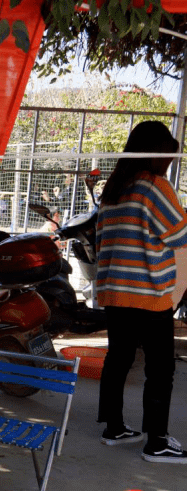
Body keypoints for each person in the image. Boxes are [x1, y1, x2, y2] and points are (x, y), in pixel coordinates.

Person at [95, 120, 187, 463]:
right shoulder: (154, 187)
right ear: (156, 154)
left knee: (118, 359)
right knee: (160, 368)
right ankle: (157, 442)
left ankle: (114, 428)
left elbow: (102, 239)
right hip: (148, 293)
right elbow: (179, 237)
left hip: (115, 292)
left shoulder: (114, 189)